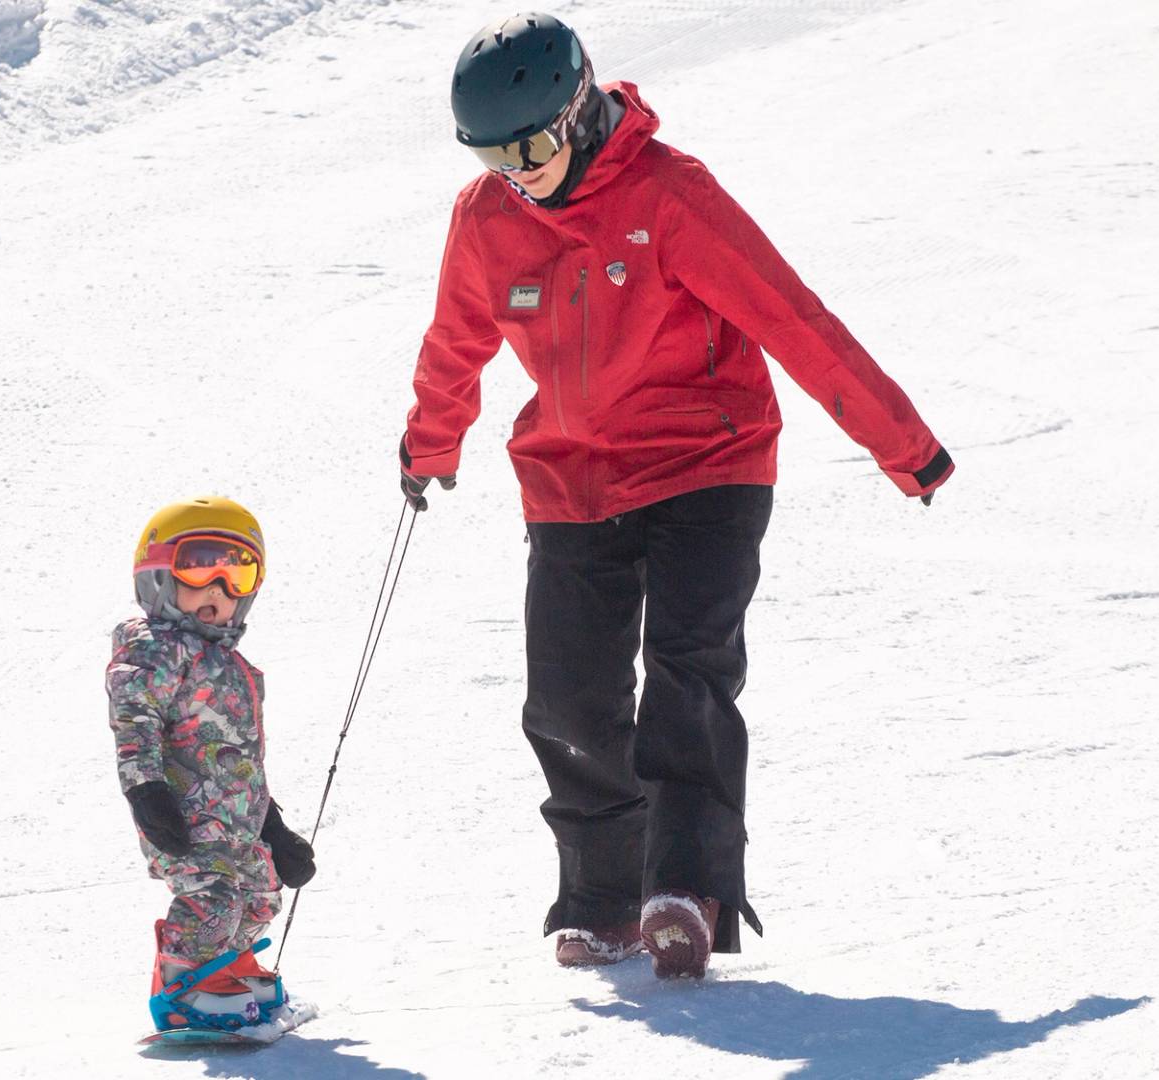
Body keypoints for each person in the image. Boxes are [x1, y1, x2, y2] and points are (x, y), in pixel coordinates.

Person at [398, 13, 954, 979]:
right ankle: (603, 900)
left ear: (577, 113)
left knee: (687, 674)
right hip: (571, 476)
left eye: (527, 150)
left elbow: (792, 318)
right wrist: (430, 440)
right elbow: (458, 336)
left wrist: (901, 443)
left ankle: (687, 890)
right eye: (491, 156)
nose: (515, 174)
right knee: (567, 698)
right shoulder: (486, 217)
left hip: (708, 459)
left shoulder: (668, 195)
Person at [107, 496, 318, 1033]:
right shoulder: (152, 650)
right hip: (182, 816)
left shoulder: (236, 667)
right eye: (200, 568)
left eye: (237, 574)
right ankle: (182, 985)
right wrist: (146, 793)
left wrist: (273, 827)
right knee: (213, 896)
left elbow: (242, 760)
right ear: (158, 575)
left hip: (237, 821)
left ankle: (225, 968)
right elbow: (135, 724)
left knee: (262, 893)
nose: (219, 589)